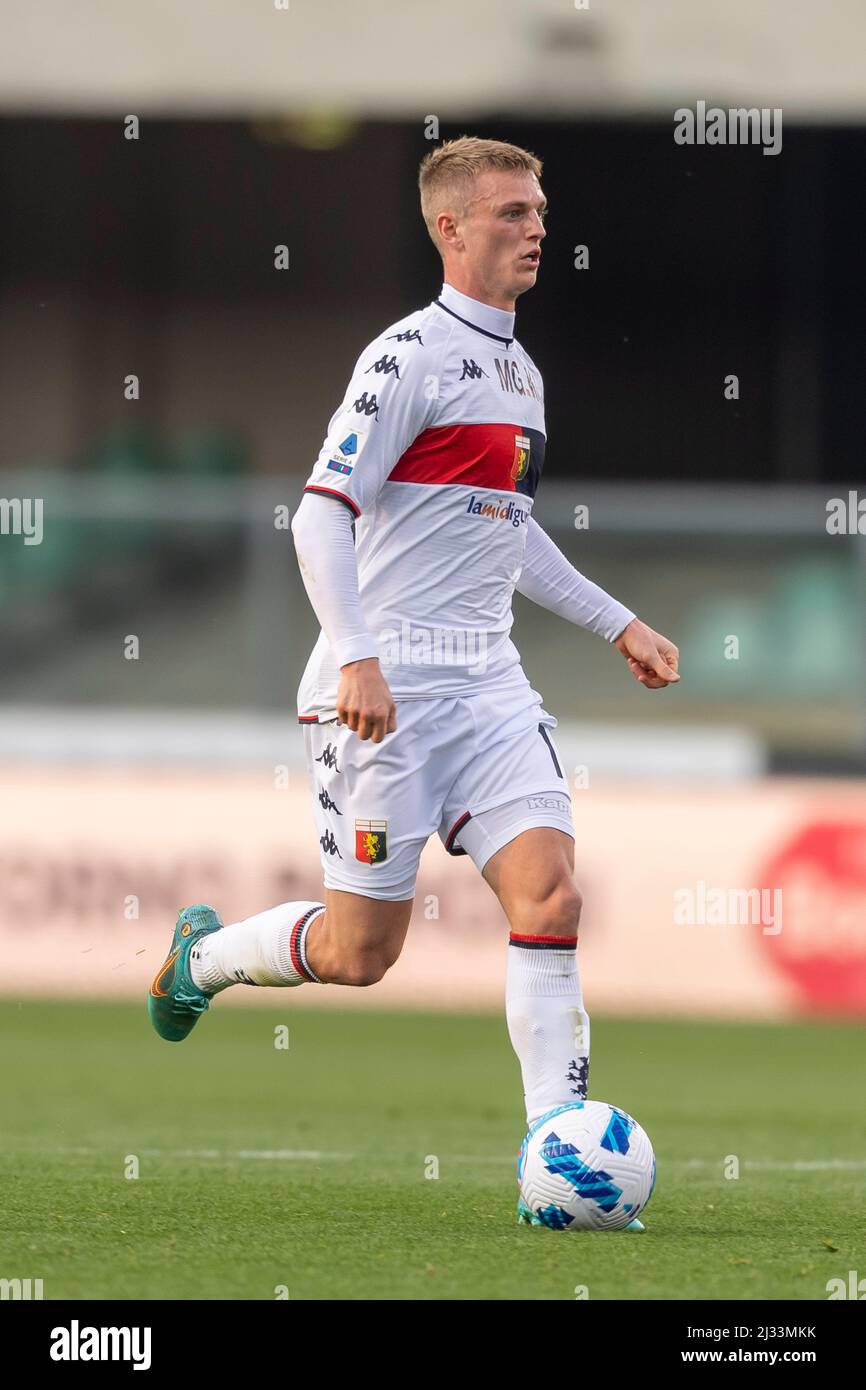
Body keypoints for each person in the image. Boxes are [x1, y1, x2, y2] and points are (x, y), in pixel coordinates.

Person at [147, 136, 679, 1222]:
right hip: (380, 693)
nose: (537, 228)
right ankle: (203, 958)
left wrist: (615, 620)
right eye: (511, 213)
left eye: (538, 210)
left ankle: (555, 1154)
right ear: (450, 227)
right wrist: (356, 654)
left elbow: (510, 533)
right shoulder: (405, 357)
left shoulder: (522, 375)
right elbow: (318, 512)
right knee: (359, 954)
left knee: (550, 893)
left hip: (487, 687)